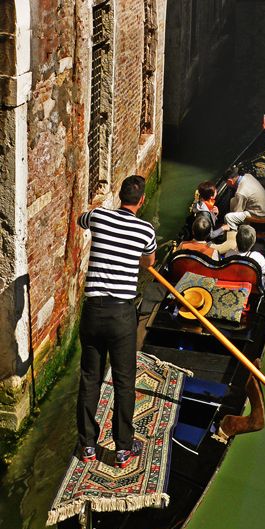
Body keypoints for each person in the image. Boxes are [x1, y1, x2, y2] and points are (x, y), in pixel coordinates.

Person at [76, 175, 157, 468]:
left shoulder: (98, 217)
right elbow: (148, 263)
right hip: (122, 315)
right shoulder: (145, 231)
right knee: (124, 382)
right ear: (142, 201)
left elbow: (81, 221)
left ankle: (86, 445)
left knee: (89, 378)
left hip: (93, 312)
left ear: (120, 197)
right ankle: (123, 448)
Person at [223, 166, 265, 231]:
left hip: (260, 214)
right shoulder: (248, 176)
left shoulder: (240, 193)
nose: (227, 185)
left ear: (230, 181)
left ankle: (236, 234)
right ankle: (242, 225)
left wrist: (232, 215)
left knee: (228, 217)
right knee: (233, 201)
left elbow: (237, 211)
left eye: (227, 183)